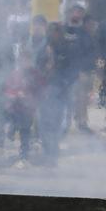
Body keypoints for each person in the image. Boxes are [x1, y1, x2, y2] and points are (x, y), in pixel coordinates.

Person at [35, 22, 72, 163]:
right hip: (45, 91)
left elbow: (70, 69)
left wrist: (65, 83)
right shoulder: (42, 50)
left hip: (61, 91)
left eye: (58, 32)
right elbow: (36, 70)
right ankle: (47, 150)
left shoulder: (65, 49)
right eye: (54, 32)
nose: (56, 35)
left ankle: (54, 149)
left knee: (57, 121)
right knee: (45, 122)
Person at [63, 4, 95, 134]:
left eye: (80, 12)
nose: (77, 15)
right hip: (64, 72)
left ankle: (82, 123)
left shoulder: (84, 33)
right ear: (70, 13)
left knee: (81, 98)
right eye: (75, 12)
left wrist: (85, 70)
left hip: (79, 73)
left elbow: (89, 53)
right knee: (65, 98)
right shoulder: (62, 30)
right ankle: (65, 124)